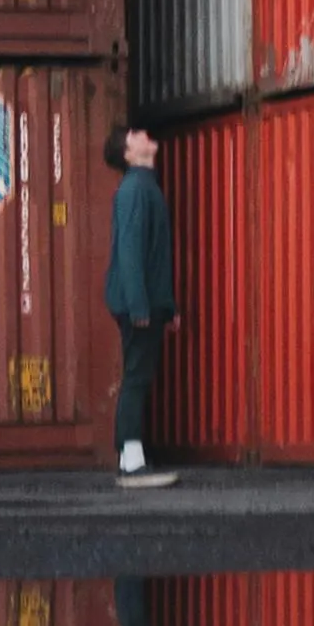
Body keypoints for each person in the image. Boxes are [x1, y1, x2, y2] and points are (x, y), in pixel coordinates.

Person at [103, 119, 176, 483]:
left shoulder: (145, 186)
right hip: (137, 303)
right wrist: (139, 307)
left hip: (147, 301)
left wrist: (167, 305)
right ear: (130, 152)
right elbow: (130, 253)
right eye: (137, 135)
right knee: (135, 376)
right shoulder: (135, 189)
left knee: (139, 374)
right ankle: (131, 459)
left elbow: (154, 255)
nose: (146, 134)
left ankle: (130, 456)